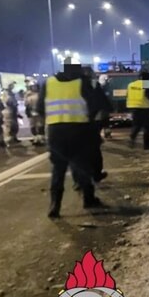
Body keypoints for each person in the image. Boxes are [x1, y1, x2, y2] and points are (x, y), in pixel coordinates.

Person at [38, 63, 102, 218]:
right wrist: (90, 121)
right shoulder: (82, 82)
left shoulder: (49, 83)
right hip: (78, 130)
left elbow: (40, 108)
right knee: (82, 166)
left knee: (58, 169)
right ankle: (88, 199)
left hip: (55, 132)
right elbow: (95, 105)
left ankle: (55, 205)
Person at [127, 71, 149, 149]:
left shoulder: (131, 84)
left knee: (136, 125)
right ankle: (146, 145)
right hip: (144, 108)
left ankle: (132, 138)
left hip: (133, 107)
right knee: (147, 127)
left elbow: (127, 95)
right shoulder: (145, 84)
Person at [24, 81, 45, 146]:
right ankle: (35, 138)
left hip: (39, 112)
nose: (34, 88)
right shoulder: (27, 95)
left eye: (35, 86)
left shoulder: (40, 94)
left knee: (40, 125)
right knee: (32, 126)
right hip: (31, 112)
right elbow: (26, 104)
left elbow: (42, 102)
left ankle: (41, 139)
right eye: (32, 87)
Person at [98, 74, 112, 138]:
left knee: (104, 121)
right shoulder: (103, 88)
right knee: (104, 121)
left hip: (103, 109)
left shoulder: (100, 87)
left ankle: (107, 133)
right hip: (102, 108)